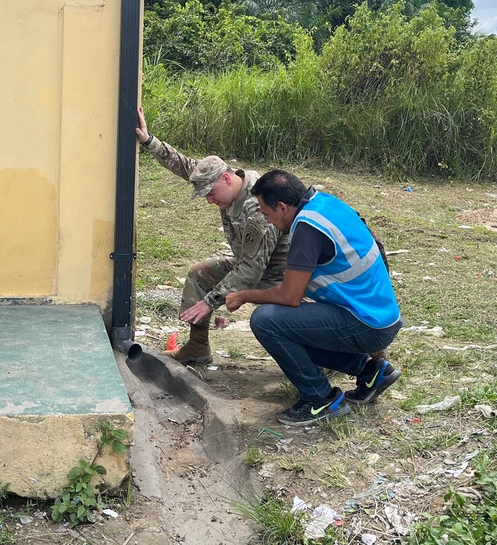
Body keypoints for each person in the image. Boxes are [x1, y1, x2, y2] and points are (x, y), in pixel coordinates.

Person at [227, 170, 403, 427]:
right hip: (378, 315)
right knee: (293, 329)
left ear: (283, 207)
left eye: (267, 214)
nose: (268, 222)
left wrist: (244, 295)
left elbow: (289, 297)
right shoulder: (325, 203)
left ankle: (320, 398)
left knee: (266, 321)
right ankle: (370, 371)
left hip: (365, 322)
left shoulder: (307, 228)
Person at [136, 107, 288, 364]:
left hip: (281, 278)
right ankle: (197, 348)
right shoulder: (226, 183)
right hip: (250, 267)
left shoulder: (256, 208)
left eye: (210, 193)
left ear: (227, 179)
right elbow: (187, 166)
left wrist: (209, 302)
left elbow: (251, 271)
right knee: (200, 273)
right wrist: (150, 141)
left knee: (279, 315)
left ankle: (325, 357)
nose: (208, 200)